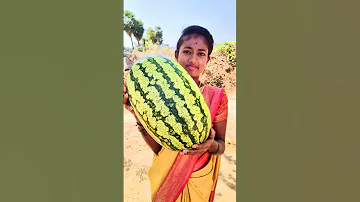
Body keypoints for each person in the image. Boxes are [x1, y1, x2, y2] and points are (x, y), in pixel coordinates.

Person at [123, 25, 228, 202]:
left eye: (201, 53)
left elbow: (221, 146)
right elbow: (161, 149)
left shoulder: (218, 97)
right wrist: (138, 116)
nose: (193, 59)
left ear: (208, 60)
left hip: (200, 182)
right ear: (176, 55)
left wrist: (209, 145)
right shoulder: (157, 94)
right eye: (187, 51)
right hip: (167, 182)